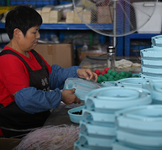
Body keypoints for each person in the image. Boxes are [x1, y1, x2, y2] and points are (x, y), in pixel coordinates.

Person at [0, 5, 98, 138]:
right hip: (17, 131)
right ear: (17, 33)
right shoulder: (8, 60)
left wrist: (76, 72)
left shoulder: (31, 54)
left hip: (39, 123)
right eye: (34, 32)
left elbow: (51, 76)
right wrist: (60, 96)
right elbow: (27, 99)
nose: (38, 36)